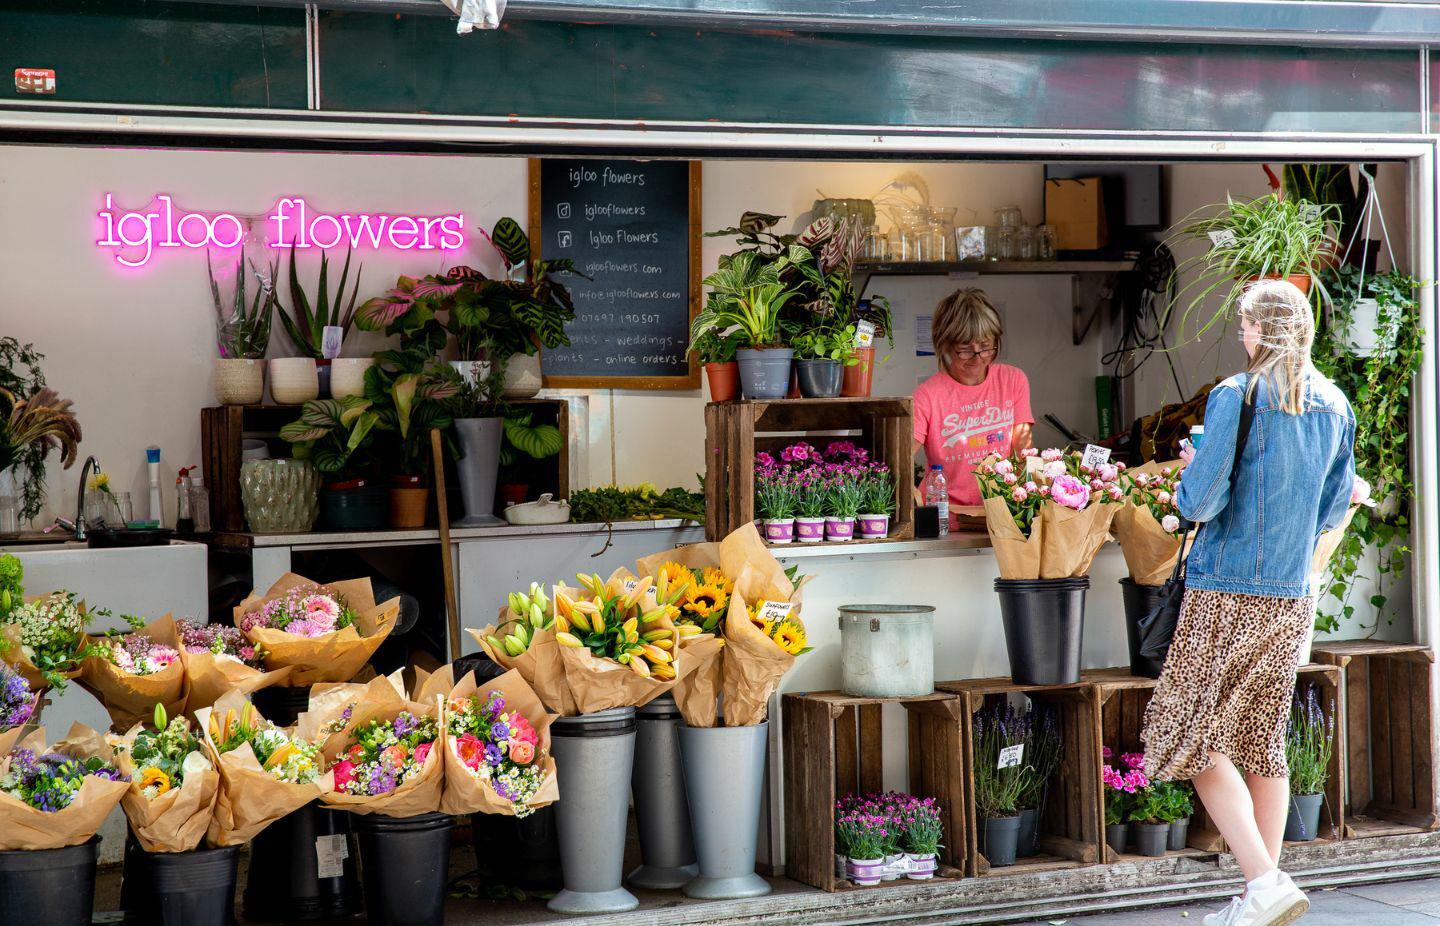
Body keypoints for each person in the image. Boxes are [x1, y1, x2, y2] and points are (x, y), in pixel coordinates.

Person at [1140, 279, 1356, 926]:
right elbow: (1332, 508)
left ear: (1259, 331)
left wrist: (1192, 473)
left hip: (1225, 592)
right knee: (1262, 743)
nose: (1242, 337)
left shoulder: (1238, 394)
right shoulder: (1336, 403)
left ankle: (1262, 880)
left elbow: (1200, 502)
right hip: (1291, 597)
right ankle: (1261, 896)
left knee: (1189, 735)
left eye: (1244, 326)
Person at [912, 288, 1033, 527]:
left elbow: (1024, 454)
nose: (978, 358)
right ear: (945, 345)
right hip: (947, 519)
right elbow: (901, 459)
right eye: (966, 349)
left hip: (1001, 516)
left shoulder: (1013, 381)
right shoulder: (927, 395)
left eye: (986, 347)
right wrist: (912, 501)